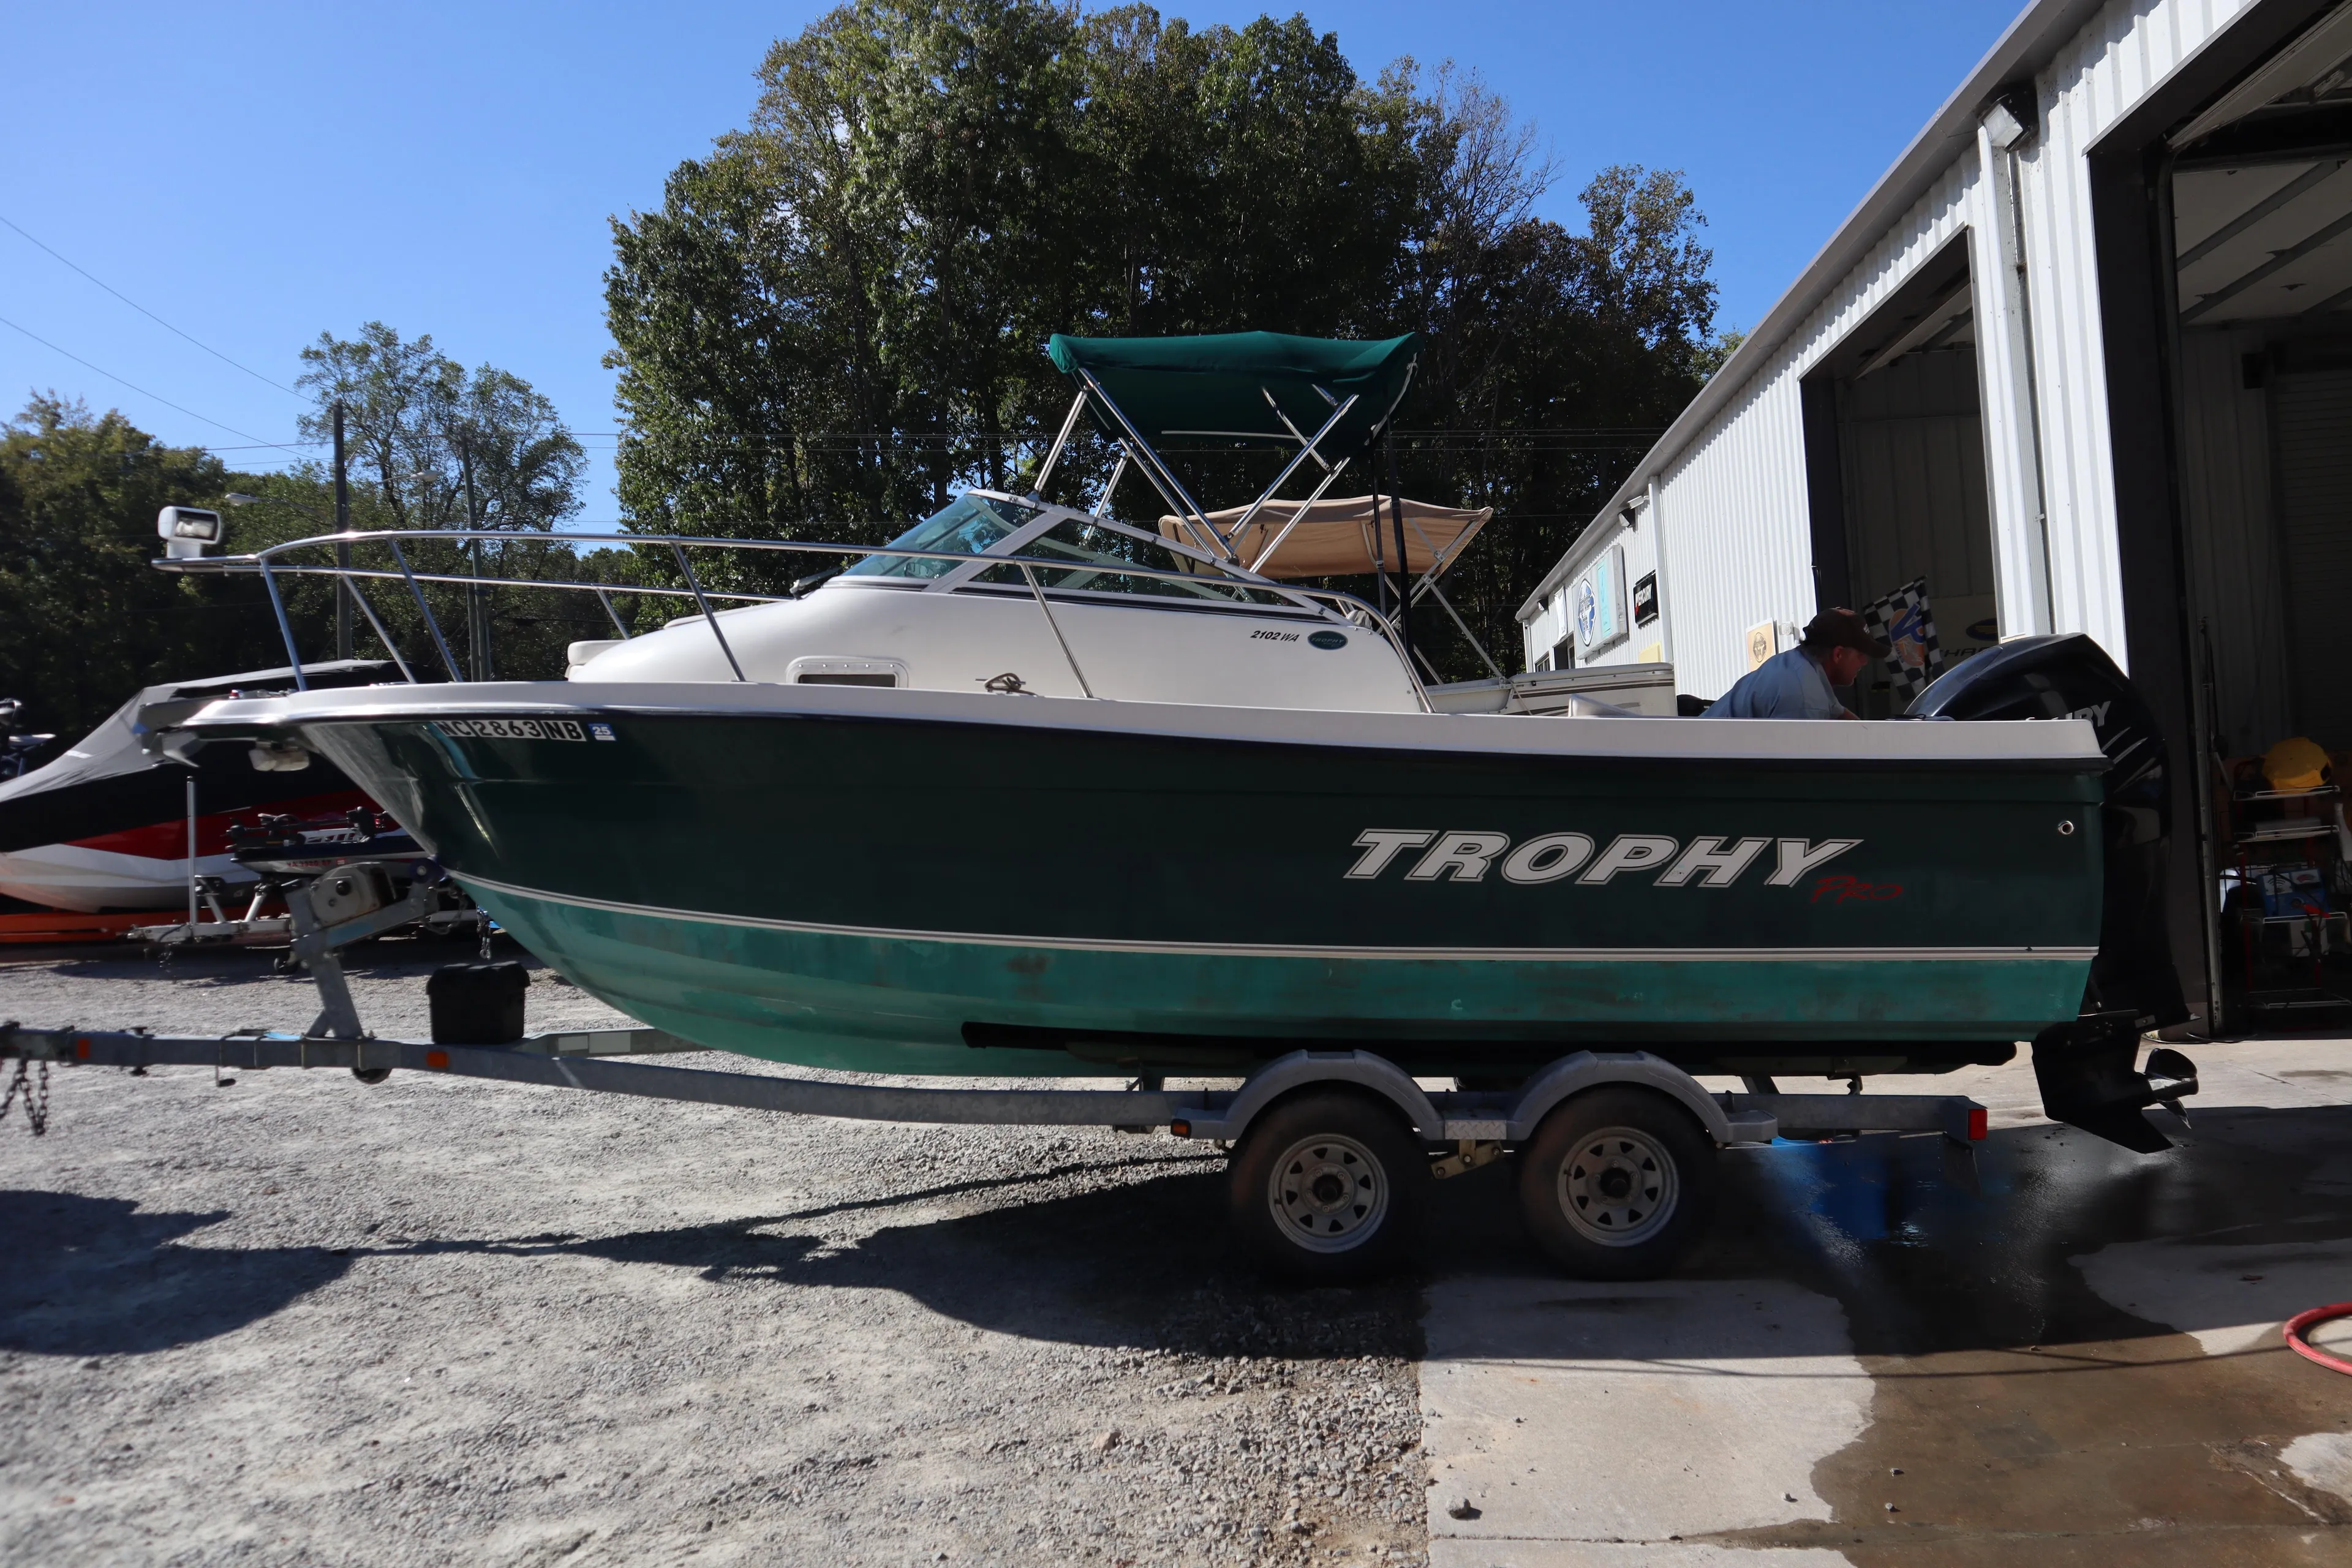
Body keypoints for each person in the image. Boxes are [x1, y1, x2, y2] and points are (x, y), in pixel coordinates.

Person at [1700, 608, 1889, 720]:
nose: (1865, 662)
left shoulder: (1800, 663)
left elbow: (1839, 713)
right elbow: (1797, 779)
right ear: (1838, 654)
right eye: (1861, 654)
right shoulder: (1804, 700)